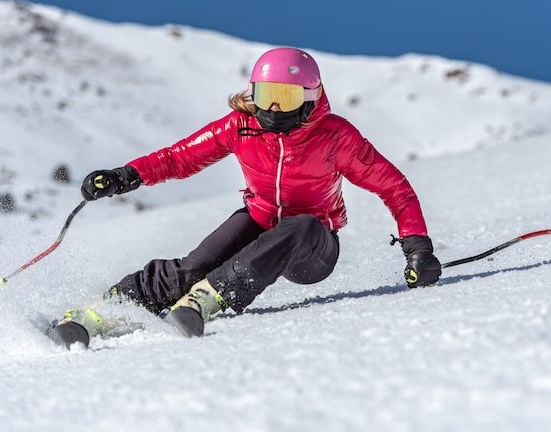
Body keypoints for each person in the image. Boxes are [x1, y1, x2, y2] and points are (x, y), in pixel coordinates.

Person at [60, 47, 442, 339]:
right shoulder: (240, 126)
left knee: (302, 226)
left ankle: (209, 297)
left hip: (312, 248)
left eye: (287, 98)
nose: (273, 106)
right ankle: (102, 312)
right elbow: (179, 158)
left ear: (310, 98)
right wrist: (125, 175)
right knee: (193, 267)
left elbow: (394, 188)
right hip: (259, 218)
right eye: (265, 94)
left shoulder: (336, 137)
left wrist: (418, 249)